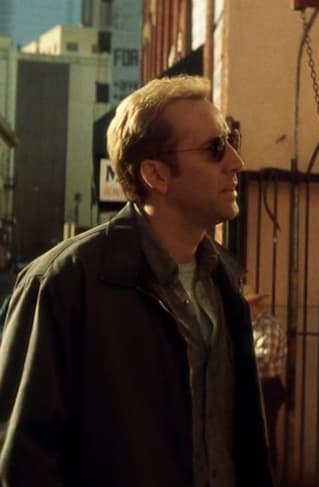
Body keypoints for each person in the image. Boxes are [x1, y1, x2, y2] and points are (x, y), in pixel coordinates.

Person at [0, 75, 273, 486]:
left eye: (232, 141)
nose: (235, 161)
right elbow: (23, 460)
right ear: (155, 174)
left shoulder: (223, 280)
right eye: (215, 147)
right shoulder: (64, 285)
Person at [244, 285, 287, 473]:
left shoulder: (267, 326)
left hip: (267, 387)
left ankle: (269, 476)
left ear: (252, 306)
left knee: (265, 437)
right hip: (257, 386)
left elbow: (262, 360)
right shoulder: (250, 326)